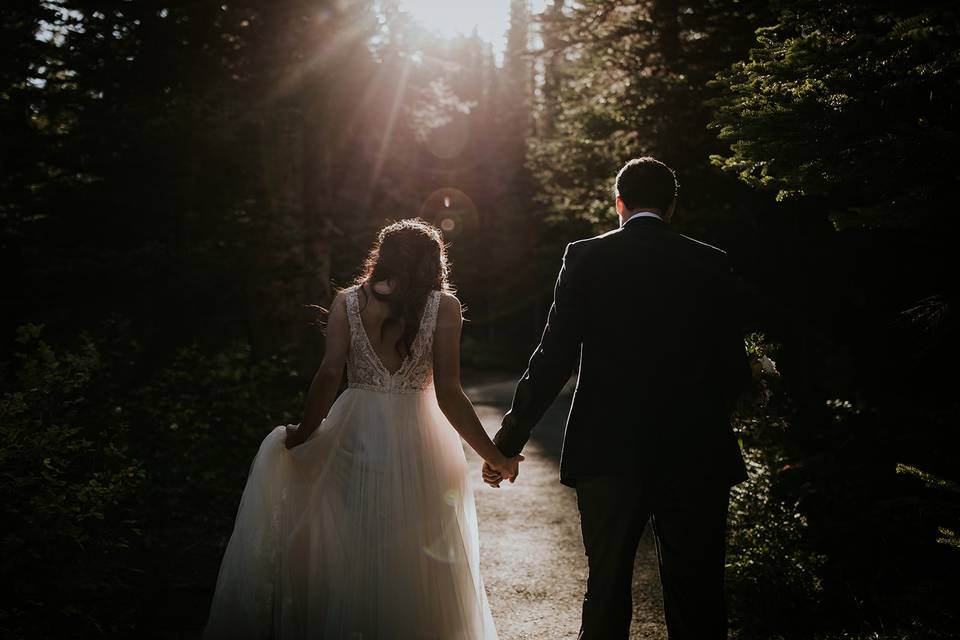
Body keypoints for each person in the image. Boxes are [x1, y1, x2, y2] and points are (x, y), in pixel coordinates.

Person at [203, 219, 521, 640]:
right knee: (421, 553)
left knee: (356, 546)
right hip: (422, 437)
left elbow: (329, 373)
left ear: (382, 255)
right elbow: (448, 391)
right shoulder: (443, 307)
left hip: (355, 432)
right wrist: (494, 455)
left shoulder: (348, 302)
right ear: (433, 261)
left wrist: (303, 432)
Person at [484, 157, 752, 639]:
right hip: (696, 451)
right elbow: (732, 365)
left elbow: (554, 355)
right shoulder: (710, 261)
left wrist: (507, 441)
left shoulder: (586, 257)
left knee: (607, 586)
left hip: (606, 448)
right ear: (672, 206)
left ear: (618, 204)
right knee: (699, 591)